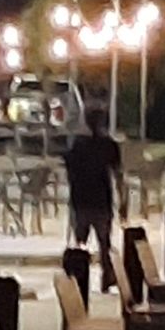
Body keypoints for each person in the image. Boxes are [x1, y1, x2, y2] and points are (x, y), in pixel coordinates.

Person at [62, 105, 123, 290]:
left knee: (80, 240)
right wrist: (123, 200)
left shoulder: (78, 145)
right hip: (101, 200)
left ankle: (78, 279)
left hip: (81, 199)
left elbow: (69, 169)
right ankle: (106, 275)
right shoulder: (109, 145)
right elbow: (118, 174)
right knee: (104, 242)